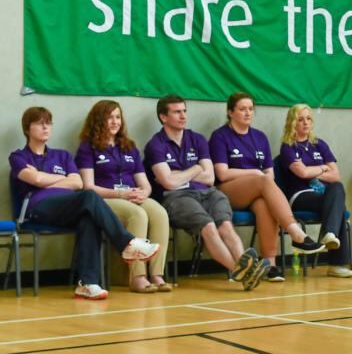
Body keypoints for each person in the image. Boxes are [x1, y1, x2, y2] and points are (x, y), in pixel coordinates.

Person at [10, 106, 159, 300]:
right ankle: (127, 244)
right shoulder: (18, 157)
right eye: (39, 123)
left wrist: (43, 178)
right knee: (89, 196)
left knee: (89, 217)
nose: (45, 128)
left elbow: (77, 182)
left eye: (48, 123)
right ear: (27, 129)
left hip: (66, 206)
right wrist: (57, 178)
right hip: (36, 208)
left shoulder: (62, 155)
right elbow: (35, 181)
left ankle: (87, 283)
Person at [143, 95, 268, 291]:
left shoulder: (197, 139)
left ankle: (245, 272)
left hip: (209, 192)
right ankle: (242, 272)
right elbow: (168, 182)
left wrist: (179, 174)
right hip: (177, 198)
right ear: (163, 117)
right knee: (209, 227)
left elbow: (210, 178)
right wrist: (195, 169)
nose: (183, 116)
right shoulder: (155, 145)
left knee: (226, 226)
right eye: (177, 112)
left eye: (184, 111)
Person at [209, 93, 327, 282]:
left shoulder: (259, 137)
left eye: (250, 109)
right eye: (242, 109)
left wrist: (261, 177)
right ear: (230, 112)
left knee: (265, 203)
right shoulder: (220, 136)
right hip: (228, 190)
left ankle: (269, 265)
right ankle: (295, 232)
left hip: (258, 190)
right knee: (263, 181)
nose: (248, 113)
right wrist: (255, 174)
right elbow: (222, 173)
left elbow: (270, 174)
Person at [77, 100, 171, 293]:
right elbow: (88, 187)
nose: (115, 121)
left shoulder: (129, 146)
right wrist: (120, 193)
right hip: (105, 199)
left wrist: (143, 192)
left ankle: (157, 274)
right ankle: (137, 276)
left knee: (159, 213)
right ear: (98, 120)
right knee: (138, 215)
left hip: (131, 196)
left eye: (118, 117)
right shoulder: (88, 148)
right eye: (109, 117)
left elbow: (144, 183)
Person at [276, 104, 352, 278]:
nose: (305, 123)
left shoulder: (319, 144)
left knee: (337, 189)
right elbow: (302, 173)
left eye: (308, 119)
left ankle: (329, 233)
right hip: (300, 195)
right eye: (300, 119)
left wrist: (314, 170)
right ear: (292, 123)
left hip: (323, 194)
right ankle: (336, 263)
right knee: (338, 205)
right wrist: (322, 167)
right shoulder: (288, 147)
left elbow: (336, 176)